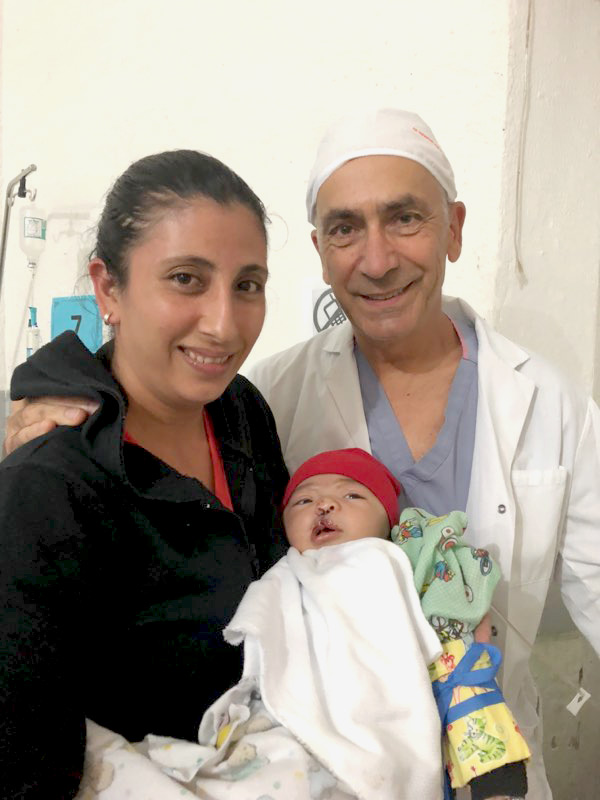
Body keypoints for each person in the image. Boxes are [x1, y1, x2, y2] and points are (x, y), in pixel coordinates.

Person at [5, 109, 600, 799]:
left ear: (455, 229)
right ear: (321, 250)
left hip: (489, 763)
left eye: (405, 218)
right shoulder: (271, 394)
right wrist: (60, 384)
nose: (376, 259)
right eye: (346, 228)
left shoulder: (242, 417)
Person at [0, 150, 290, 799]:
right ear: (109, 288)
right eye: (187, 279)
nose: (223, 323)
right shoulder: (48, 490)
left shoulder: (241, 414)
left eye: (248, 284)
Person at [75, 448, 527, 800]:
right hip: (278, 723)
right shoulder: (284, 569)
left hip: (366, 736)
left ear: (389, 521)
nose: (326, 504)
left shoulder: (392, 564)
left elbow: (461, 669)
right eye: (305, 500)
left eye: (352, 495)